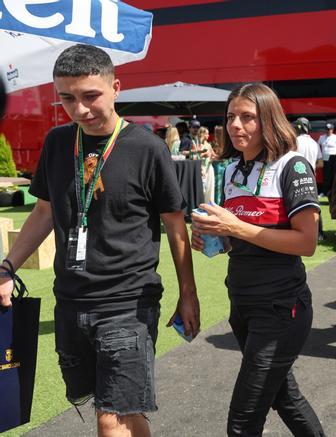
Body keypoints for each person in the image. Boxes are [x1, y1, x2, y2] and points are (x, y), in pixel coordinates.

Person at [0, 44, 200, 437]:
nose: (80, 109)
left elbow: (176, 226)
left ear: (116, 88)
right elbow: (44, 211)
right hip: (71, 299)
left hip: (128, 303)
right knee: (117, 410)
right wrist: (8, 267)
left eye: (90, 96)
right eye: (68, 98)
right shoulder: (58, 143)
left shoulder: (148, 148)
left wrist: (188, 293)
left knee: (111, 420)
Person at [190, 83, 324, 437]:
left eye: (247, 117)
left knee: (243, 423)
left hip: (281, 308)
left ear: (268, 119)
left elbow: (307, 242)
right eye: (231, 117)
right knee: (286, 398)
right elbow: (240, 241)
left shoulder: (292, 166)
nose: (236, 125)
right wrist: (213, 237)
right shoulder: (233, 171)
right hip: (243, 305)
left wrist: (236, 226)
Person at [294, 116, 325, 241]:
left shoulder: (295, 141)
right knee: (314, 205)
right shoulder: (314, 143)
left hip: (296, 178)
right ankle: (319, 233)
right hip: (311, 178)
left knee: (297, 208)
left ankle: (300, 233)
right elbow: (321, 163)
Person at [318, 122, 336, 195]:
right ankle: (325, 191)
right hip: (325, 158)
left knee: (334, 174)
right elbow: (318, 146)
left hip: (334, 157)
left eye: (330, 129)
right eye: (327, 129)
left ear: (332, 129)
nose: (328, 131)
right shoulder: (322, 137)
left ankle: (334, 191)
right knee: (326, 175)